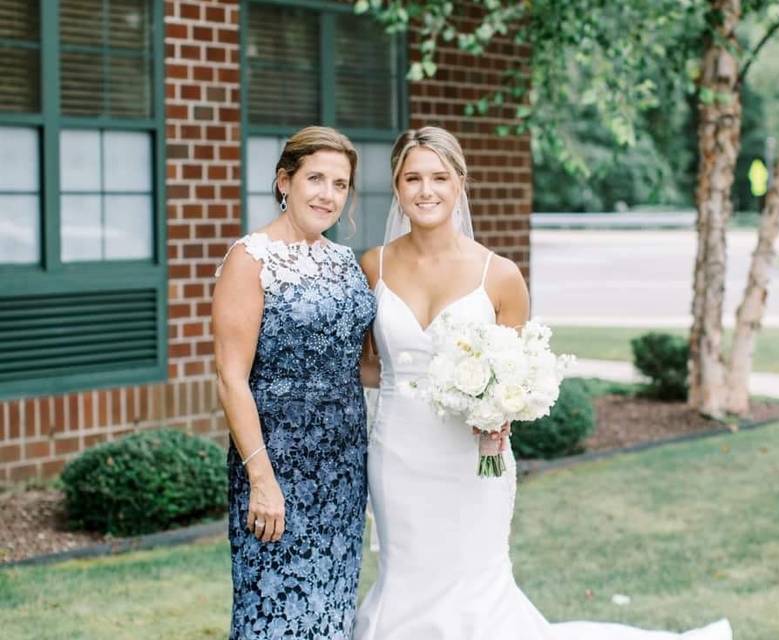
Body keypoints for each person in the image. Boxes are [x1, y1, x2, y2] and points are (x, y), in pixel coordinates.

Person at [354, 126, 732, 640]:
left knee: (473, 581)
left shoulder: (500, 274)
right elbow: (370, 365)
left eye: (439, 177)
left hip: (472, 454)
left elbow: (516, 368)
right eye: (412, 178)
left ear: (460, 183)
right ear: (396, 187)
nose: (426, 190)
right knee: (408, 574)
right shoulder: (372, 266)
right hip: (397, 453)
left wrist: (498, 414)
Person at [212, 126, 376, 639]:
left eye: (340, 184)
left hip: (344, 465)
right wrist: (262, 480)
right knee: (274, 613)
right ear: (285, 181)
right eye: (316, 179)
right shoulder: (250, 258)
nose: (328, 194)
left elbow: (361, 364)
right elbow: (231, 378)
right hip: (278, 464)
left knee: (332, 610)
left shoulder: (345, 262)